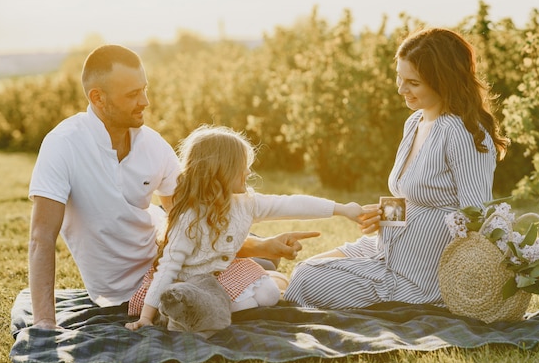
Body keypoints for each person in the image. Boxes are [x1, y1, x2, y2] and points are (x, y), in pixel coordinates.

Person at [28, 44, 319, 329]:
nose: (145, 101)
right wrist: (44, 322)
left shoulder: (152, 144)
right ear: (98, 98)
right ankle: (264, 270)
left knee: (257, 261)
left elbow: (197, 224)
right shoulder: (63, 144)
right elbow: (41, 237)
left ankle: (260, 260)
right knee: (257, 285)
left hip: (173, 258)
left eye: (145, 89)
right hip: (125, 289)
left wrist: (265, 245)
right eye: (133, 94)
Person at [283, 28, 510, 309]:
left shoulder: (462, 133)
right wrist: (385, 216)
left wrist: (478, 286)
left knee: (306, 278)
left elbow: (477, 216)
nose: (401, 89)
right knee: (306, 267)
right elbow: (414, 196)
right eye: (399, 78)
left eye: (413, 83)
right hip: (387, 249)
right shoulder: (415, 122)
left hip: (419, 276)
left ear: (444, 82)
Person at [125, 125, 365, 330]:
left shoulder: (245, 204)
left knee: (269, 295)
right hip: (189, 280)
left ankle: (204, 308)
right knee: (243, 304)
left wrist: (342, 209)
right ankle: (175, 306)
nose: (249, 171)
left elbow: (290, 204)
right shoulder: (190, 217)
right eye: (242, 165)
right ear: (221, 170)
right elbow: (168, 267)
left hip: (223, 272)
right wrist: (146, 317)